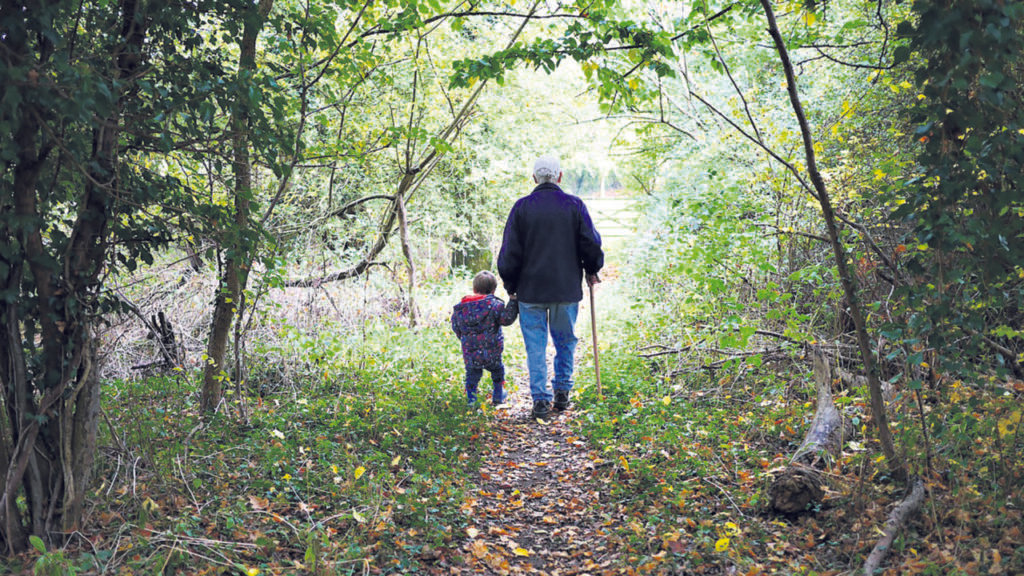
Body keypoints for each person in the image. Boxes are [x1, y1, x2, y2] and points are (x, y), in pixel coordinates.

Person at [497, 155, 604, 419]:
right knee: (565, 341)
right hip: (565, 290)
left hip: (530, 291)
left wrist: (511, 285)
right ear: (559, 176)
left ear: (534, 178)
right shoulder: (574, 205)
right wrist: (592, 269)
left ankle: (540, 401)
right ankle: (562, 393)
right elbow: (590, 243)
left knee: (536, 345)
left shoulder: (521, 208)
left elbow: (509, 252)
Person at [451, 271, 519, 405]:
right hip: (492, 350)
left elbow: (456, 327)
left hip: (470, 351)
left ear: (474, 289)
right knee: (497, 371)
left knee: (472, 374)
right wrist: (513, 302)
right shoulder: (495, 306)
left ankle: (472, 399)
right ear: (493, 290)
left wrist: (465, 340)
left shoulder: (461, 308)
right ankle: (498, 395)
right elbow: (506, 319)